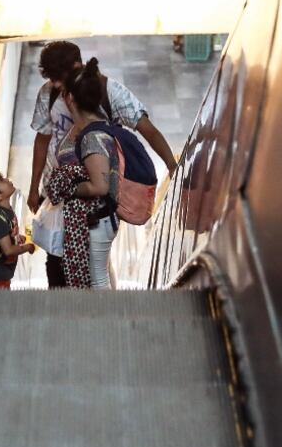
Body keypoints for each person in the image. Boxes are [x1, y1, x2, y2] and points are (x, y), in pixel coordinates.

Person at [27, 40, 177, 288]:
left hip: (96, 199)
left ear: (77, 65)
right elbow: (42, 139)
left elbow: (148, 130)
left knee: (93, 262)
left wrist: (172, 165)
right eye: (51, 78)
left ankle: (91, 308)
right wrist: (34, 188)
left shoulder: (110, 92)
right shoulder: (49, 92)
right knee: (60, 257)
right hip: (59, 194)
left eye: (58, 77)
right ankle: (77, 306)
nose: (54, 84)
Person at [58, 58, 122, 289]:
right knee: (99, 274)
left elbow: (100, 186)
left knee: (98, 278)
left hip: (96, 218)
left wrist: (68, 188)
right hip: (89, 219)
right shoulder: (90, 127)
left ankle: (106, 323)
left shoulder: (93, 135)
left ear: (70, 98)